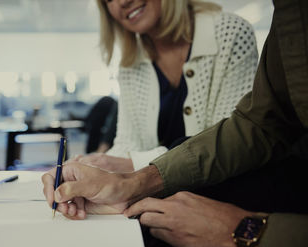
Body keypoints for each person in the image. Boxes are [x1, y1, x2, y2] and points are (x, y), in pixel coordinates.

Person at [42, 0, 308, 247]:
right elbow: (258, 123)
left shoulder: (228, 33)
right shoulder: (131, 58)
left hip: (229, 200)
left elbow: (237, 147)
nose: (122, 1)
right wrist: (103, 175)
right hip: (168, 199)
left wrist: (132, 172)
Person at [76, 0, 258, 172]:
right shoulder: (130, 64)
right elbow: (127, 146)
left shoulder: (230, 33)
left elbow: (227, 147)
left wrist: (134, 165)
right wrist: (87, 166)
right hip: (161, 199)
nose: (122, 2)